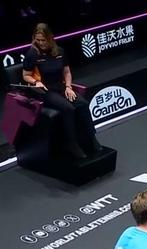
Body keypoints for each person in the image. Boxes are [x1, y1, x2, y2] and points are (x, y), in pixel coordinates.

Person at [22, 23, 100, 160]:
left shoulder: (59, 51)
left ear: (50, 38)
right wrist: (35, 82)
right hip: (44, 90)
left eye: (43, 40)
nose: (41, 43)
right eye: (38, 40)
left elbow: (67, 72)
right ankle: (72, 144)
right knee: (68, 108)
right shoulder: (32, 53)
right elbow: (26, 75)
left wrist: (68, 87)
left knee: (82, 104)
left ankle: (91, 137)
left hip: (61, 87)